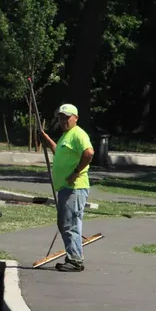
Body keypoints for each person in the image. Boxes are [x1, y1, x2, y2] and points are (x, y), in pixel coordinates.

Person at [40, 103, 95, 272]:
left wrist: (76, 172)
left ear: (75, 118)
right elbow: (60, 152)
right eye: (61, 117)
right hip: (66, 187)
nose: (64, 120)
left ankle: (75, 260)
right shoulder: (66, 135)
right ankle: (74, 257)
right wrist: (48, 140)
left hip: (74, 187)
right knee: (68, 223)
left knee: (68, 223)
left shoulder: (78, 134)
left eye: (67, 117)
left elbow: (89, 153)